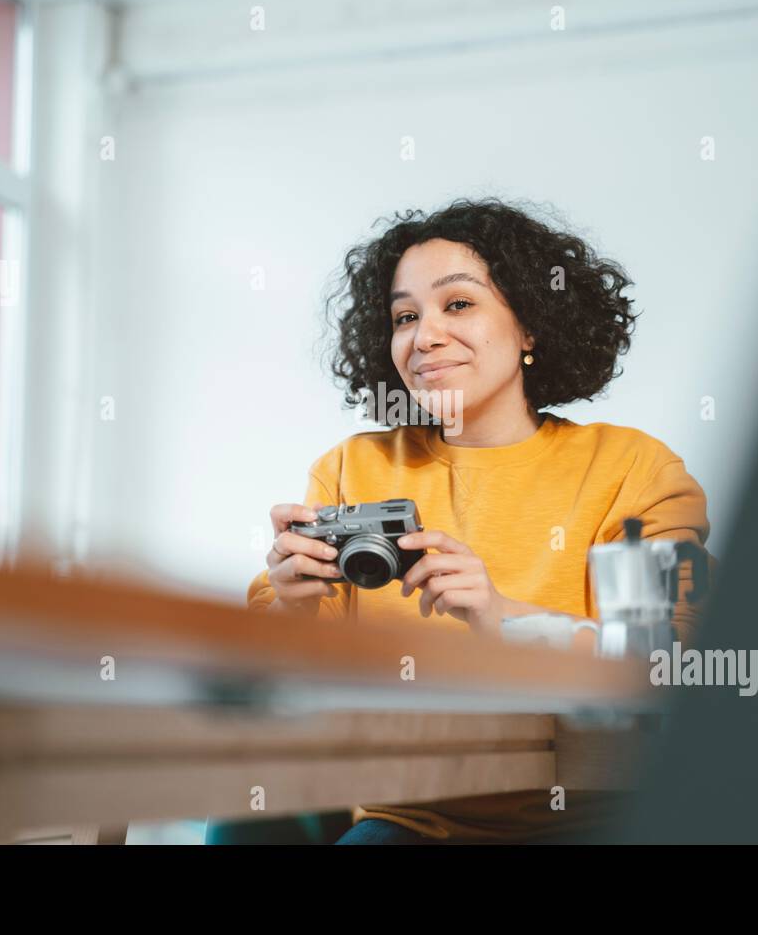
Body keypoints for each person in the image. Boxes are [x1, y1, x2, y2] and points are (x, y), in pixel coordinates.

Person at [235, 197, 713, 844]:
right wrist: (290, 603)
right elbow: (269, 686)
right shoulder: (352, 468)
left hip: (590, 820)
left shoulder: (630, 468)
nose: (424, 335)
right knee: (246, 806)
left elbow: (663, 667)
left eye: (458, 303)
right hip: (410, 814)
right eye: (405, 316)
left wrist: (502, 614)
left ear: (531, 327)